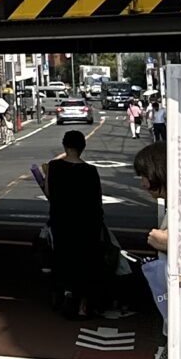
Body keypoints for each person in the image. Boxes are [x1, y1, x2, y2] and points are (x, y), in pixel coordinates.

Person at [115, 141, 172, 359]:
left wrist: (162, 241)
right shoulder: (179, 203)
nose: (142, 183)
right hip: (180, 318)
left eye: (144, 175)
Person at [43, 129, 120, 320]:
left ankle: (65, 296)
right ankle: (84, 305)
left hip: (61, 220)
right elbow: (97, 199)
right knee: (87, 261)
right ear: (83, 147)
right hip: (87, 222)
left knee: (62, 257)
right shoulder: (90, 171)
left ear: (64, 145)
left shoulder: (54, 167)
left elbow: (49, 193)